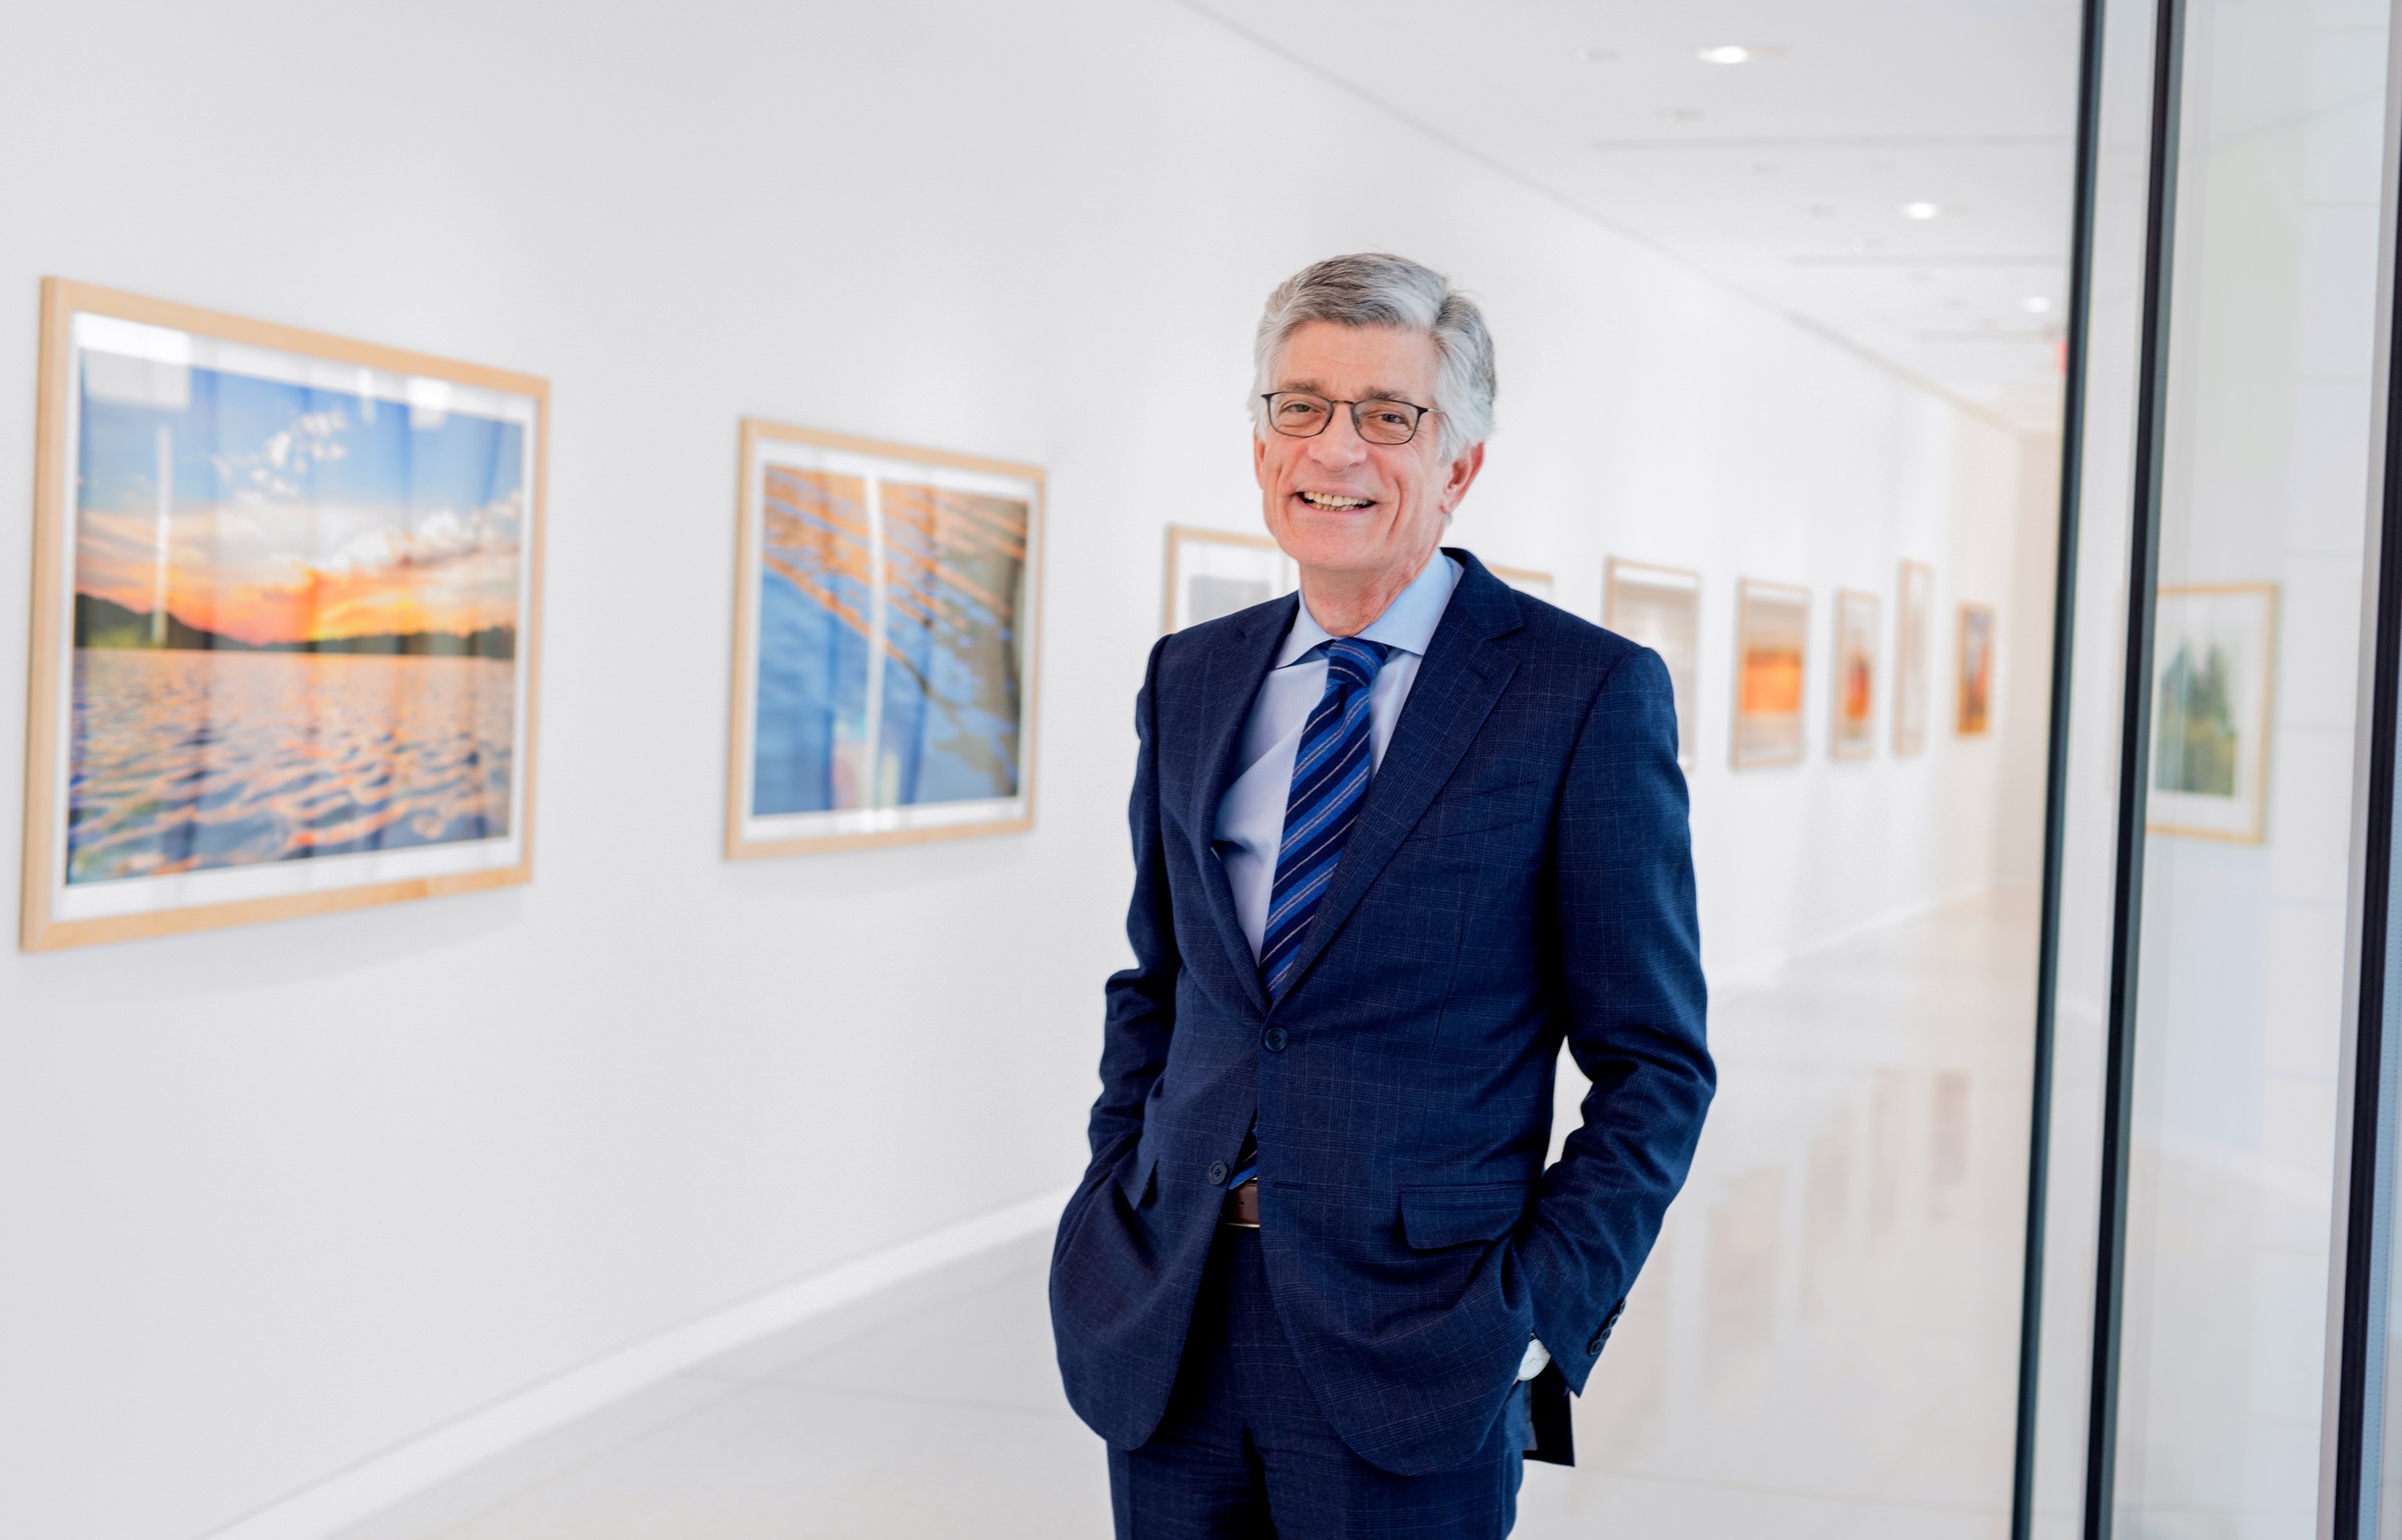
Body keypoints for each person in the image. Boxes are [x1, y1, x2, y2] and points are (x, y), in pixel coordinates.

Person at [1049, 252, 1714, 1539]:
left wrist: (1531, 1319)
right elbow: (1163, 982)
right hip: (1168, 1314)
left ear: (1459, 464)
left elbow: (1656, 1065)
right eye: (1299, 406)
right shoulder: (1192, 676)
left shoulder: (1579, 695)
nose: (1334, 447)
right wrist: (1112, 1199)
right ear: (1260, 447)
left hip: (1424, 1334)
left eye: (1387, 416)